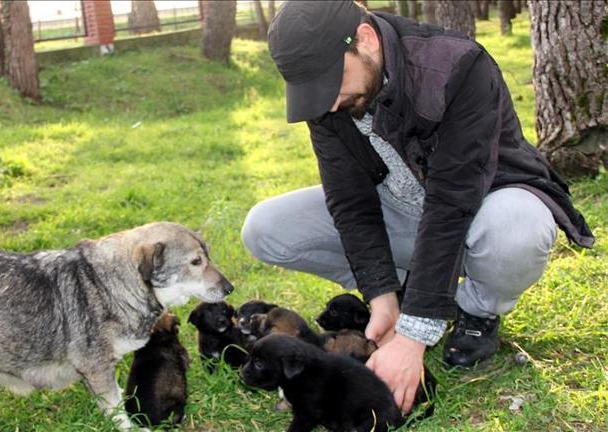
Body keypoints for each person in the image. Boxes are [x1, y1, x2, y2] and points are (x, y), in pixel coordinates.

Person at [241, 1, 594, 414]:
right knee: (264, 228)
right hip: (403, 212)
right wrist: (381, 295)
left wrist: (413, 337)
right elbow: (351, 202)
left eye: (330, 83)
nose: (329, 104)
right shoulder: (332, 97)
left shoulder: (458, 67)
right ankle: (410, 290)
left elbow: (451, 203)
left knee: (519, 227)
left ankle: (475, 312)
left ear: (366, 40)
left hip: (482, 204)